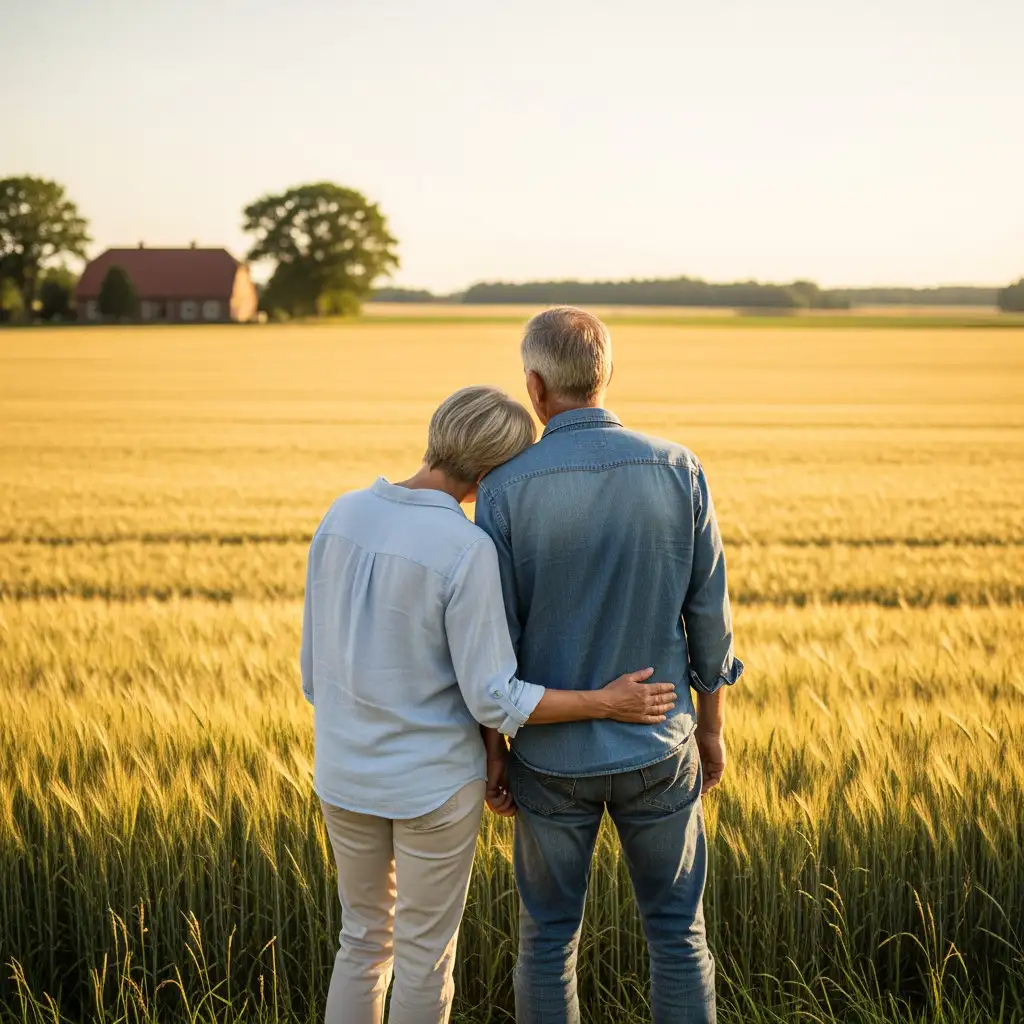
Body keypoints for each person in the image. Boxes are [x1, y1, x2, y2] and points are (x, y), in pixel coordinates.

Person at [300, 384, 677, 1024]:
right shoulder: (464, 547)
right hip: (431, 790)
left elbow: (314, 673)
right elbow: (494, 698)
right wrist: (605, 702)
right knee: (423, 956)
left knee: (362, 942)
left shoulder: (343, 513)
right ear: (496, 470)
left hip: (341, 775)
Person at [475, 309, 744, 1024]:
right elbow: (709, 623)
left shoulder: (504, 488)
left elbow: (490, 642)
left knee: (547, 939)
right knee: (679, 936)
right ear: (606, 376)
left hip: (549, 757)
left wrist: (495, 756)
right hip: (661, 744)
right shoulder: (679, 467)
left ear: (534, 386)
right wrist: (709, 730)